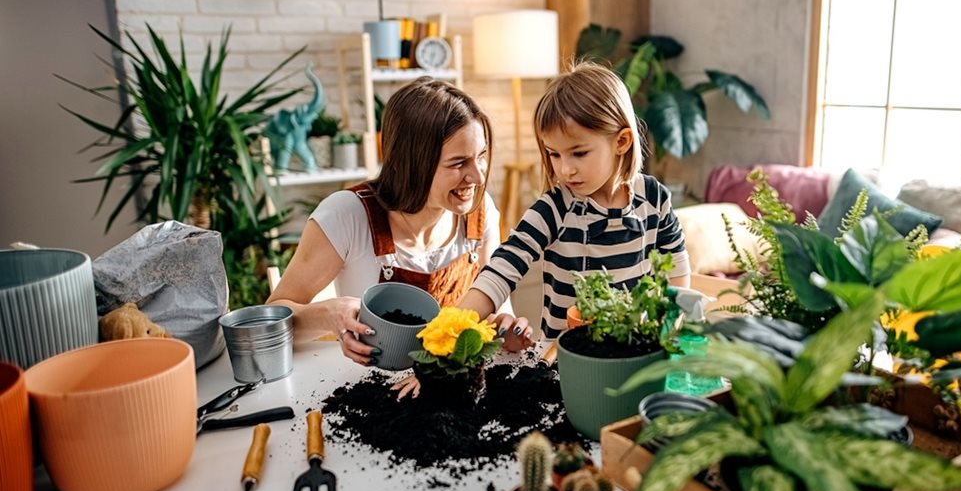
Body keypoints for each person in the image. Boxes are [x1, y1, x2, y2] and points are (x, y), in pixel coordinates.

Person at [268, 78, 516, 372]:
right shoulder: (346, 215)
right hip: (370, 392)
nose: (476, 176)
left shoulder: (480, 211)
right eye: (458, 163)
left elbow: (499, 311)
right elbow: (270, 321)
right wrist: (327, 316)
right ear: (411, 162)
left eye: (482, 156)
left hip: (452, 392)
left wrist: (507, 328)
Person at [461, 61, 691, 344]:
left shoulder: (654, 198)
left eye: (578, 153)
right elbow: (502, 268)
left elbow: (677, 270)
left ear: (621, 141)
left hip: (634, 351)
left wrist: (670, 328)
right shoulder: (553, 209)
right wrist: (457, 323)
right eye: (554, 155)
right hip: (564, 359)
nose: (564, 169)